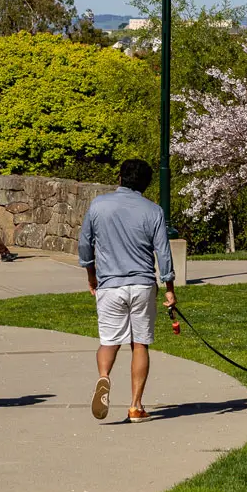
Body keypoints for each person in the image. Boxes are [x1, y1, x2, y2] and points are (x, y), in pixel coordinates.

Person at [77, 158, 175, 423]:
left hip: (110, 283)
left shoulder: (98, 205)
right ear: (145, 184)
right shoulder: (153, 210)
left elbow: (85, 245)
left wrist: (91, 275)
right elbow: (163, 252)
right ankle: (135, 406)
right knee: (139, 343)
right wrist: (169, 287)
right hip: (142, 283)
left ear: (120, 178)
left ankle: (104, 378)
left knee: (109, 340)